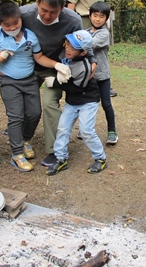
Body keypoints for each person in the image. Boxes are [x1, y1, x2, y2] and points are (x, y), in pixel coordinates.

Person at [0, 0, 94, 167]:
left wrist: (91, 60)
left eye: (53, 12)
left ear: (62, 8)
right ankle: (20, 138)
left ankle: (54, 150)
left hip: (54, 66)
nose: (47, 15)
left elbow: (82, 42)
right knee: (22, 108)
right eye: (43, 10)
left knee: (49, 104)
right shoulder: (23, 13)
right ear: (37, 2)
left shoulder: (73, 19)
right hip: (25, 66)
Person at [0, 1, 71, 172]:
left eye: (15, 23)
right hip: (8, 82)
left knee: (34, 113)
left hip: (29, 80)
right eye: (7, 25)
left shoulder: (30, 36)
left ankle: (25, 139)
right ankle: (17, 154)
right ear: (0, 23)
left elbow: (39, 57)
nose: (12, 27)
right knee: (16, 116)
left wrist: (57, 65)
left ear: (21, 19)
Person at [44, 31, 107, 175]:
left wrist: (56, 82)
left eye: (73, 48)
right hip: (72, 102)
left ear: (83, 52)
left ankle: (100, 158)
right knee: (62, 128)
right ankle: (60, 159)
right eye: (67, 44)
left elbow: (76, 88)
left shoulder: (84, 67)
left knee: (86, 130)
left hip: (87, 101)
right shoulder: (65, 55)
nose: (68, 49)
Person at [66, 0, 117, 98]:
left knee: (102, 52)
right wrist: (73, 24)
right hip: (85, 20)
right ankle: (84, 80)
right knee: (84, 52)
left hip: (103, 18)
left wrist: (106, 19)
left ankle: (104, 83)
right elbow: (71, 3)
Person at [87, 2, 118, 144]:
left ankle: (112, 131)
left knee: (106, 104)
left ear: (106, 19)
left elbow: (89, 44)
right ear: (90, 15)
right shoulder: (87, 31)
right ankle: (86, 129)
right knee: (88, 104)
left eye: (101, 16)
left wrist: (76, 39)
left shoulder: (104, 34)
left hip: (102, 76)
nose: (97, 19)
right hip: (88, 76)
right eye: (95, 15)